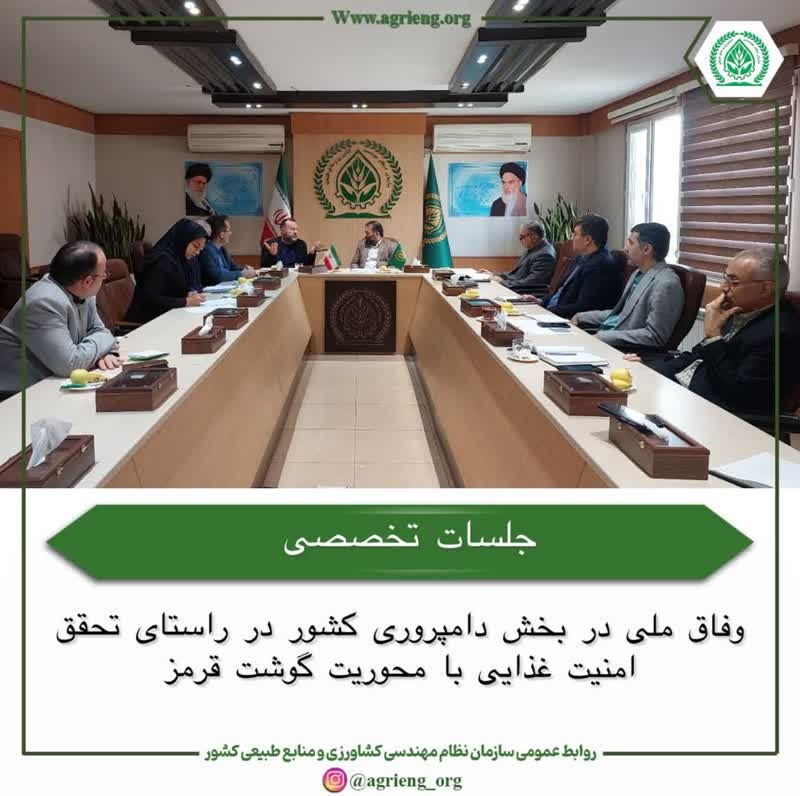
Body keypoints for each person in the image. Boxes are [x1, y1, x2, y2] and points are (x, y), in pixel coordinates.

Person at [625, 247, 800, 416]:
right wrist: (650, 370)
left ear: (765, 289)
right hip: (681, 393)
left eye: (733, 282)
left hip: (708, 411)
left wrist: (714, 337)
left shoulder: (781, 333)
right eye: (725, 279)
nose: (723, 287)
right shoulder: (740, 311)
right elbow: (696, 357)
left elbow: (739, 394)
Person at [0, 241, 120, 396]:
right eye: (103, 275)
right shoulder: (42, 303)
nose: (104, 278)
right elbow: (71, 364)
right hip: (17, 395)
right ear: (87, 281)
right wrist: (106, 341)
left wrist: (105, 354)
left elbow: (98, 331)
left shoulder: (83, 292)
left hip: (52, 382)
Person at [572, 222, 683, 350]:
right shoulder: (638, 273)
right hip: (606, 338)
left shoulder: (666, 284)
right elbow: (622, 315)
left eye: (630, 243)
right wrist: (581, 316)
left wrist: (603, 337)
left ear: (646, 249)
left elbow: (654, 336)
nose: (625, 248)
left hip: (625, 351)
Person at [535, 213, 622, 318]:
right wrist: (540, 301)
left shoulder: (600, 266)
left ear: (587, 240)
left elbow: (583, 307)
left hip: (567, 320)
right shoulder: (581, 257)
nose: (572, 238)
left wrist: (546, 312)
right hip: (554, 312)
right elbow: (561, 292)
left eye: (575, 234)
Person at [125, 218, 209, 325]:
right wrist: (186, 301)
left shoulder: (180, 260)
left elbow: (170, 291)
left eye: (200, 249)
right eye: (195, 246)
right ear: (183, 239)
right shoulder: (161, 261)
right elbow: (150, 300)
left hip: (166, 317)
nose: (197, 252)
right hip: (145, 324)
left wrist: (187, 294)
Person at [493, 220, 555, 295]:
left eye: (522, 236)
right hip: (515, 288)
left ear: (534, 237)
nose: (520, 239)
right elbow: (515, 273)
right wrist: (494, 275)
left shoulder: (545, 255)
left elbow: (532, 282)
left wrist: (503, 283)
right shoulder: (533, 248)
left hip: (524, 293)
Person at [199, 215, 257, 285]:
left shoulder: (222, 249)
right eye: (229, 230)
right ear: (222, 235)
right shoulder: (206, 251)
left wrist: (246, 270)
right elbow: (217, 276)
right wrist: (242, 274)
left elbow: (233, 267)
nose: (230, 233)